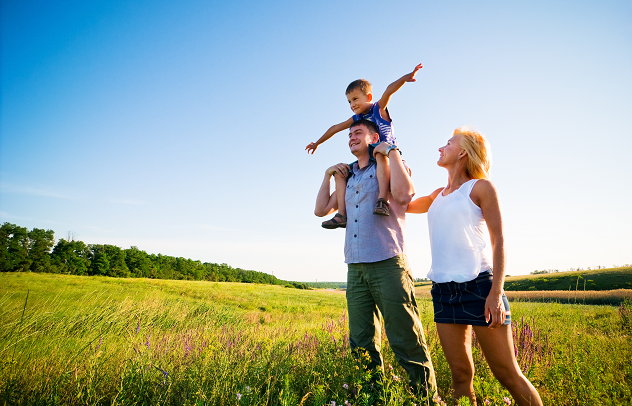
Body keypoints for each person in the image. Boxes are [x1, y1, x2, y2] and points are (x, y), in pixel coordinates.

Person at [407, 127, 543, 406]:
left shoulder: (480, 188)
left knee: (506, 373)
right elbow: (401, 204)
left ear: (462, 152)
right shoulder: (436, 196)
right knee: (459, 375)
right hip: (443, 291)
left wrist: (496, 293)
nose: (440, 148)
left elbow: (499, 240)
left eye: (447, 143)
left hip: (480, 287)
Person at [314, 119, 437, 397]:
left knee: (406, 338)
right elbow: (320, 209)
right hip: (355, 268)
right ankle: (373, 397)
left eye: (357, 132)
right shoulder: (350, 177)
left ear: (373, 137)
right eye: (349, 135)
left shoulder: (388, 165)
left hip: (388, 263)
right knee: (361, 342)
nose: (351, 137)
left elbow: (405, 195)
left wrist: (391, 151)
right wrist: (327, 175)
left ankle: (426, 399)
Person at [307, 64, 423, 229]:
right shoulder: (357, 118)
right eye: (349, 101)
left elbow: (389, 90)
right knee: (341, 173)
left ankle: (382, 199)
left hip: (386, 152)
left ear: (368, 97)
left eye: (355, 99)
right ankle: (342, 214)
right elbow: (335, 128)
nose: (352, 104)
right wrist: (318, 142)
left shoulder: (378, 109)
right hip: (368, 157)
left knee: (379, 154)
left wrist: (405, 78)